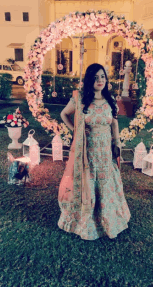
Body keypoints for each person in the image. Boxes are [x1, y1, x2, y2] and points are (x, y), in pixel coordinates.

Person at [58, 63, 131, 240]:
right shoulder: (80, 99)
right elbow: (63, 115)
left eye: (103, 77)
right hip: (87, 151)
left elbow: (114, 122)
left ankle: (108, 219)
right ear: (90, 79)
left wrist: (117, 142)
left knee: (106, 184)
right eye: (96, 77)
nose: (100, 80)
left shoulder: (110, 100)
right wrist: (77, 131)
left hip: (105, 151)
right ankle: (86, 222)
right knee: (88, 184)